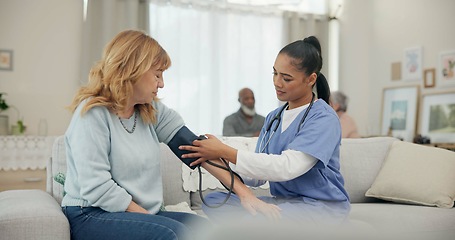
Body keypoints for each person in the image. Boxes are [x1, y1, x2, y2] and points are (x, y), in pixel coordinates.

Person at [180, 36, 350, 226]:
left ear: (311, 79)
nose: (277, 82)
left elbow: (288, 167)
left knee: (256, 219)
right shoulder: (273, 118)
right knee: (216, 202)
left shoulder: (323, 118)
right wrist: (218, 159)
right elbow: (257, 176)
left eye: (286, 78)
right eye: (275, 73)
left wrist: (224, 151)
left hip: (320, 207)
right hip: (284, 204)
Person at [61, 30, 208, 240]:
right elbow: (96, 186)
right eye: (158, 74)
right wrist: (149, 218)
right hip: (90, 213)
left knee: (206, 230)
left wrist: (244, 193)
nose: (162, 83)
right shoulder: (92, 113)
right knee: (172, 233)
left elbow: (193, 146)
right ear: (133, 70)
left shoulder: (149, 110)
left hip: (133, 213)